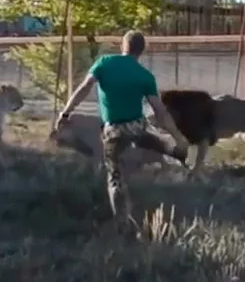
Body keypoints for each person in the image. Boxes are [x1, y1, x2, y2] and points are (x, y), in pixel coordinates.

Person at [53, 30, 190, 233]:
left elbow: (84, 88)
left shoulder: (104, 62)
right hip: (136, 125)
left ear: (122, 46)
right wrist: (179, 137)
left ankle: (122, 221)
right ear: (142, 51)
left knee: (114, 175)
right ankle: (171, 150)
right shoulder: (145, 76)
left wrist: (65, 113)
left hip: (113, 130)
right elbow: (160, 111)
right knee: (145, 137)